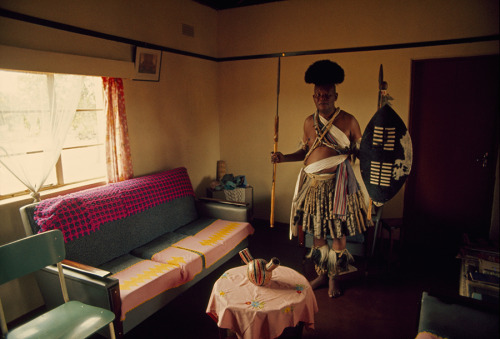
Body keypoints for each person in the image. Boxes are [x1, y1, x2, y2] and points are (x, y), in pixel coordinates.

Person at [271, 60, 372, 298]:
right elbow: (304, 153)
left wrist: (362, 152)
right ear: (313, 97)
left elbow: (363, 151)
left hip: (339, 187)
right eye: (318, 95)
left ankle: (334, 279)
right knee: (317, 235)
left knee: (337, 235)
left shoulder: (349, 120)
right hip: (314, 187)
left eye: (326, 94)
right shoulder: (308, 122)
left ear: (335, 95)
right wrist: (283, 157)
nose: (322, 98)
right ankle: (321, 275)